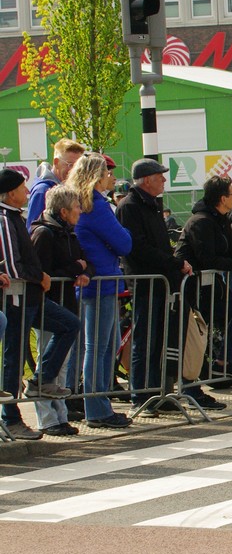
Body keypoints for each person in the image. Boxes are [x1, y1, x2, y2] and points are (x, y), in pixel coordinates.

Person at [116, 159, 192, 415]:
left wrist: (174, 261)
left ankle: (158, 392)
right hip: (145, 281)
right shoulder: (130, 206)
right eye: (160, 177)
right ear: (147, 180)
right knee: (144, 340)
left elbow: (159, 243)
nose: (164, 181)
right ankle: (140, 396)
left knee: (159, 339)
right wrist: (172, 262)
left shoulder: (152, 205)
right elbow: (138, 247)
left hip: (161, 280)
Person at [175, 176, 232, 403]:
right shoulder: (200, 222)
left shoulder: (221, 220)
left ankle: (223, 362)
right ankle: (191, 387)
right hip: (192, 288)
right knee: (196, 336)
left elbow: (230, 253)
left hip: (211, 287)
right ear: (222, 199)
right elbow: (208, 258)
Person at [67, 154, 132, 430]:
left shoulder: (79, 203)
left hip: (94, 281)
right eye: (107, 173)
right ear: (97, 176)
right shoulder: (96, 205)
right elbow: (124, 243)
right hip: (102, 282)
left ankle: (96, 405)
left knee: (98, 346)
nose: (110, 178)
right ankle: (97, 408)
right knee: (99, 348)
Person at [28, 184, 92, 436]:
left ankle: (61, 415)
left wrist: (85, 272)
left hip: (66, 305)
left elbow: (86, 261)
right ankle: (47, 418)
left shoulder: (69, 233)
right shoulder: (44, 234)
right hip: (48, 306)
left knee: (61, 365)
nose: (80, 211)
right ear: (63, 211)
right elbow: (41, 273)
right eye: (76, 206)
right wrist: (75, 269)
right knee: (46, 362)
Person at [26, 138, 85, 231]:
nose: (74, 170)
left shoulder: (67, 187)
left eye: (77, 166)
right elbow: (34, 230)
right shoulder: (42, 190)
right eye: (70, 164)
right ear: (56, 162)